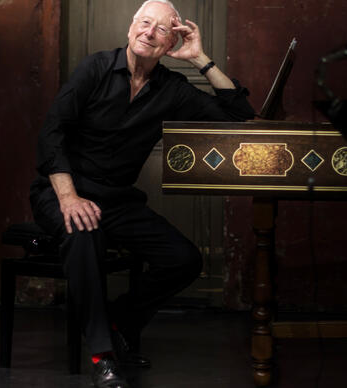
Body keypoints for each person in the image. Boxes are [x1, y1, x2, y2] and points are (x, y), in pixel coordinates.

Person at [29, 1, 254, 387]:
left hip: (116, 199)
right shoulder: (95, 68)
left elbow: (239, 116)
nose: (149, 33)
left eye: (161, 30)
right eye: (144, 23)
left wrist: (200, 59)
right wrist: (69, 198)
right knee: (84, 233)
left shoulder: (173, 89)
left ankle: (119, 322)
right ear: (131, 27)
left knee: (184, 259)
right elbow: (52, 134)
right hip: (63, 191)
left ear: (170, 44)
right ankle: (103, 354)